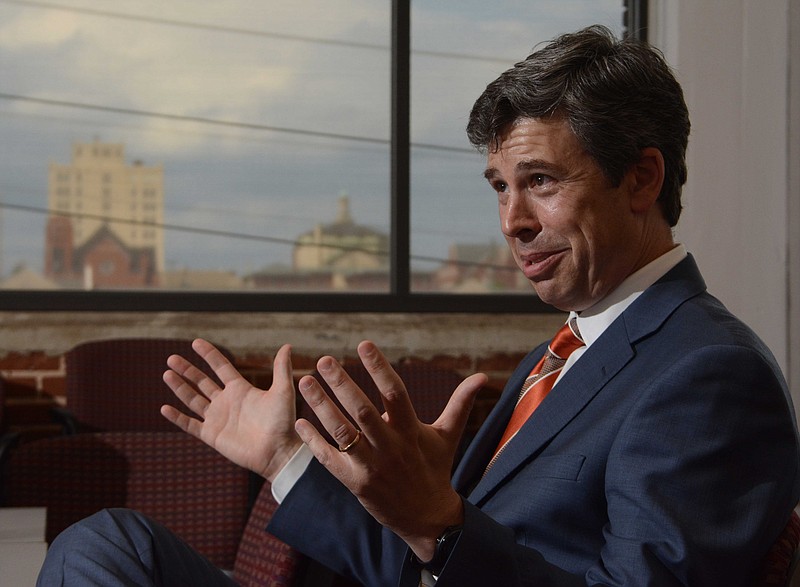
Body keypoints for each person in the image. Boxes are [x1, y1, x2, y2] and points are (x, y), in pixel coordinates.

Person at [38, 25, 799, 586]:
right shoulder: (562, 354)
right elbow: (420, 565)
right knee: (109, 545)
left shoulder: (709, 375)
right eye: (501, 187)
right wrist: (287, 459)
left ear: (641, 179)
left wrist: (444, 520)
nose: (512, 222)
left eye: (540, 181)